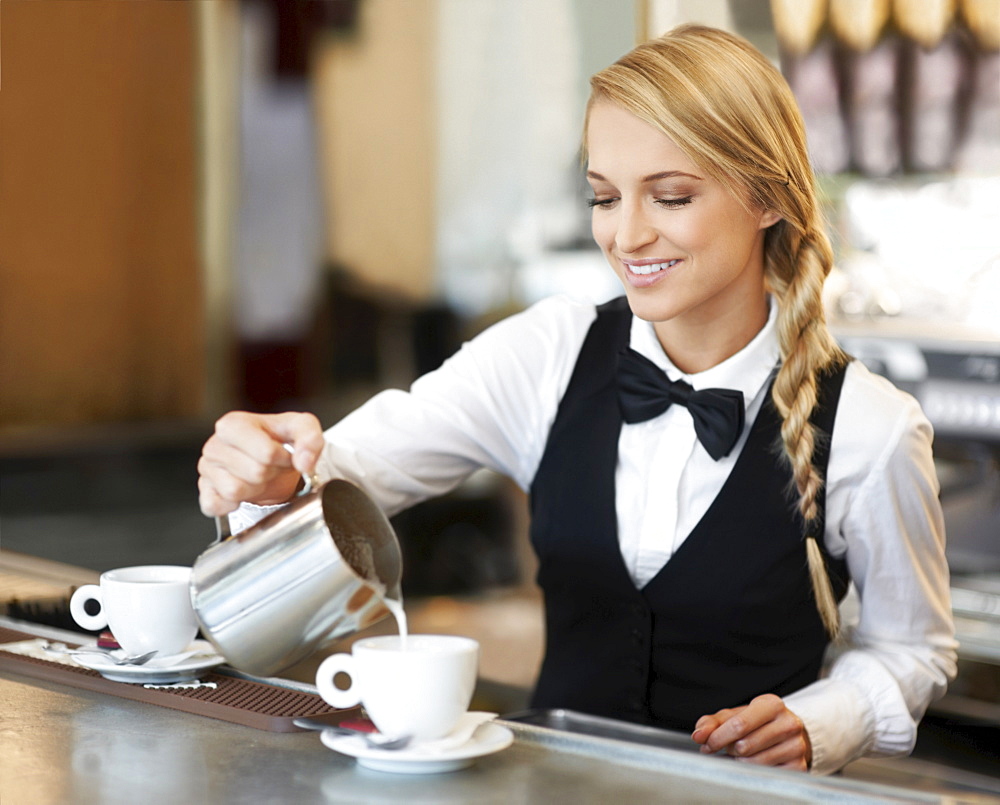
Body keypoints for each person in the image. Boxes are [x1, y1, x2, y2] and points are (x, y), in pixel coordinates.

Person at [197, 24, 956, 774]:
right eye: (603, 197)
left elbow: (911, 648)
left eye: (670, 196)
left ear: (766, 197)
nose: (626, 236)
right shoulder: (548, 352)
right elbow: (350, 471)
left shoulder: (871, 428)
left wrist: (821, 720)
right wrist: (270, 474)